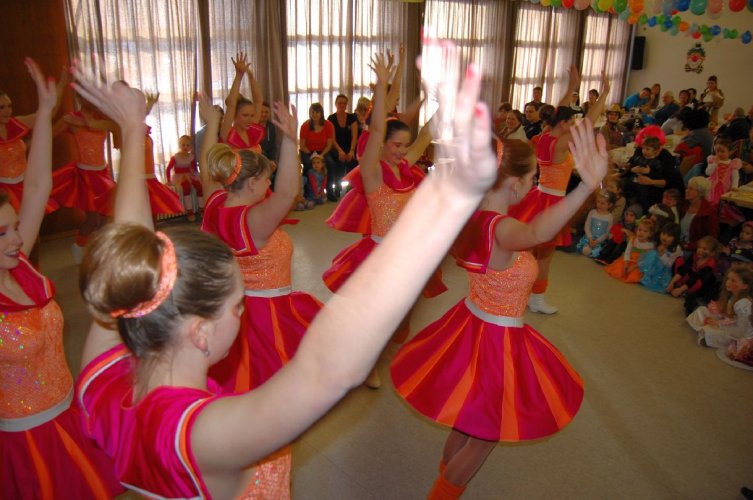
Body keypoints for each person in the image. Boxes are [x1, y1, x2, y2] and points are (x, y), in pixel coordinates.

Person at [72, 44, 497, 499]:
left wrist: (132, 128)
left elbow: (128, 249)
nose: (243, 314)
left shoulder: (104, 387)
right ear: (200, 332)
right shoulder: (208, 435)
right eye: (238, 307)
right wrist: (441, 217)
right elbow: (329, 370)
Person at [391, 117, 607, 499]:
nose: (534, 185)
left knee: (467, 422)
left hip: (472, 324)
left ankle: (445, 477)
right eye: (533, 178)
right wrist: (586, 187)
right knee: (484, 437)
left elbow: (532, 229)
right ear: (515, 183)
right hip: (495, 341)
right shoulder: (501, 229)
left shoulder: (475, 218)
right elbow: (539, 232)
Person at [0, 58, 122, 500]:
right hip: (23, 439)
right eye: (3, 233)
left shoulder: (20, 265)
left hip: (65, 414)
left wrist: (47, 107)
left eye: (13, 226)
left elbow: (36, 188)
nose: (19, 238)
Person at [322, 53, 442, 388]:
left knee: (397, 314)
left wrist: (444, 103)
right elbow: (376, 130)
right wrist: (381, 86)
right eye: (397, 145)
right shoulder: (373, 174)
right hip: (377, 254)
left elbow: (426, 135)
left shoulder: (407, 169)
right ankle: (364, 361)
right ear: (383, 145)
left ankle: (368, 349)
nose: (403, 151)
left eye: (405, 145)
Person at [508, 68, 610, 313]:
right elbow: (588, 123)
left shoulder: (544, 136)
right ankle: (536, 298)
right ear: (563, 124)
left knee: (530, 251)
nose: (573, 125)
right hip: (552, 202)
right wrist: (605, 94)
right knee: (545, 256)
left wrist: (572, 86)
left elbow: (559, 112)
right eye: (570, 123)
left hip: (539, 196)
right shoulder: (561, 144)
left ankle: (522, 291)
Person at [50, 98, 116, 261]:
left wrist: (87, 122)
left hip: (102, 173)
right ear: (80, 97)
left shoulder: (102, 118)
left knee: (104, 217)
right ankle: (79, 247)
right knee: (92, 219)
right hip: (86, 175)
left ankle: (99, 251)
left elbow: (119, 124)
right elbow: (48, 134)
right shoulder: (71, 118)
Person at [687, 265, 753, 348]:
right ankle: (705, 329)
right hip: (730, 323)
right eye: (728, 278)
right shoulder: (733, 296)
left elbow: (740, 331)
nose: (728, 282)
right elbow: (729, 316)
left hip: (738, 334)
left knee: (710, 332)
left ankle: (706, 333)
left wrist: (719, 324)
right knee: (701, 310)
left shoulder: (743, 304)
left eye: (733, 281)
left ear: (745, 286)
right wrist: (718, 319)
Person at [220, 52, 266, 154]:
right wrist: (239, 76)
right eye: (245, 115)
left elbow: (258, 101)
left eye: (252, 115)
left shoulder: (252, 130)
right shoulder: (227, 132)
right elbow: (232, 105)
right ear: (235, 116)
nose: (250, 119)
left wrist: (250, 76)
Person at [668, 235, 721, 315]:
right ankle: (679, 287)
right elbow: (684, 268)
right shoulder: (695, 255)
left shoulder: (710, 265)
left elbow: (696, 280)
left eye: (704, 249)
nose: (700, 250)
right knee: (680, 260)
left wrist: (681, 290)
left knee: (699, 284)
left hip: (701, 285)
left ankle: (685, 292)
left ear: (712, 253)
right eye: (699, 247)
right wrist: (672, 282)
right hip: (691, 278)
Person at [605, 218, 656, 283]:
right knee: (619, 269)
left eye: (645, 231)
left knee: (634, 275)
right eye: (639, 230)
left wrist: (633, 267)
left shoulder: (650, 245)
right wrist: (626, 263)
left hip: (639, 264)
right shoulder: (633, 239)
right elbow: (627, 252)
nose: (641, 233)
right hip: (629, 260)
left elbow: (646, 260)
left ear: (650, 234)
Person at [299, 102, 335, 194]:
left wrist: (320, 155)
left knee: (330, 163)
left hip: (323, 151)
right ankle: (307, 190)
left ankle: (329, 190)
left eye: (317, 112)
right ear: (310, 113)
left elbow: (329, 145)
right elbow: (302, 145)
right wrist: (312, 156)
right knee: (308, 164)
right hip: (308, 151)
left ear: (321, 113)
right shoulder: (305, 126)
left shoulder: (328, 125)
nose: (315, 114)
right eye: (313, 112)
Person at [165, 134, 203, 221]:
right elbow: (168, 169)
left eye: (188, 145)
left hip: (190, 175)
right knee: (186, 187)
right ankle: (189, 210)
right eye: (183, 145)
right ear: (180, 145)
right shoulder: (175, 157)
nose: (185, 147)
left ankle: (201, 208)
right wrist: (168, 180)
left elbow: (194, 169)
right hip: (179, 177)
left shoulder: (191, 157)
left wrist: (198, 176)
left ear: (191, 147)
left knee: (199, 186)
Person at [327, 94, 359, 197]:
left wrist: (352, 150)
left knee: (352, 160)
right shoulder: (331, 118)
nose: (342, 105)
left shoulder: (352, 118)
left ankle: (351, 188)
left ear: (346, 105)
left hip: (350, 146)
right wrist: (340, 151)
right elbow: (332, 139)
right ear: (335, 104)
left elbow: (354, 137)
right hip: (336, 147)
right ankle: (337, 187)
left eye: (344, 103)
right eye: (339, 103)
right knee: (340, 160)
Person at [639, 222, 683, 293]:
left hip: (665, 271)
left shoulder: (676, 248)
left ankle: (653, 280)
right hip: (655, 267)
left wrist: (662, 254)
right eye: (663, 233)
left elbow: (670, 264)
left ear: (675, 238)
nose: (664, 237)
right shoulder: (659, 243)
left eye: (669, 235)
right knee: (652, 254)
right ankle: (646, 276)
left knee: (654, 255)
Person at [680, 176, 719, 249]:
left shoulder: (710, 211)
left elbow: (711, 238)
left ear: (700, 192)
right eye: (687, 188)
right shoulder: (683, 204)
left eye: (691, 189)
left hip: (696, 249)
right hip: (678, 244)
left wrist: (691, 246)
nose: (686, 191)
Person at [576, 190, 615, 258]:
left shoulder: (610, 217)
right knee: (584, 249)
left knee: (597, 252)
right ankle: (588, 248)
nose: (599, 205)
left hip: (600, 240)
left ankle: (592, 251)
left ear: (610, 205)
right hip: (589, 237)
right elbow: (587, 226)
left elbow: (607, 233)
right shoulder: (592, 212)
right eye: (598, 202)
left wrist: (597, 241)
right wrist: (590, 238)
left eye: (602, 203)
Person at [705, 136, 742, 205]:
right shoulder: (713, 160)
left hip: (725, 188)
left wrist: (734, 187)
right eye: (717, 151)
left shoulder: (733, 164)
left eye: (723, 151)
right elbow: (708, 173)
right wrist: (715, 164)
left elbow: (735, 177)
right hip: (712, 187)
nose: (719, 153)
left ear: (730, 152)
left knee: (722, 204)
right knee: (710, 203)